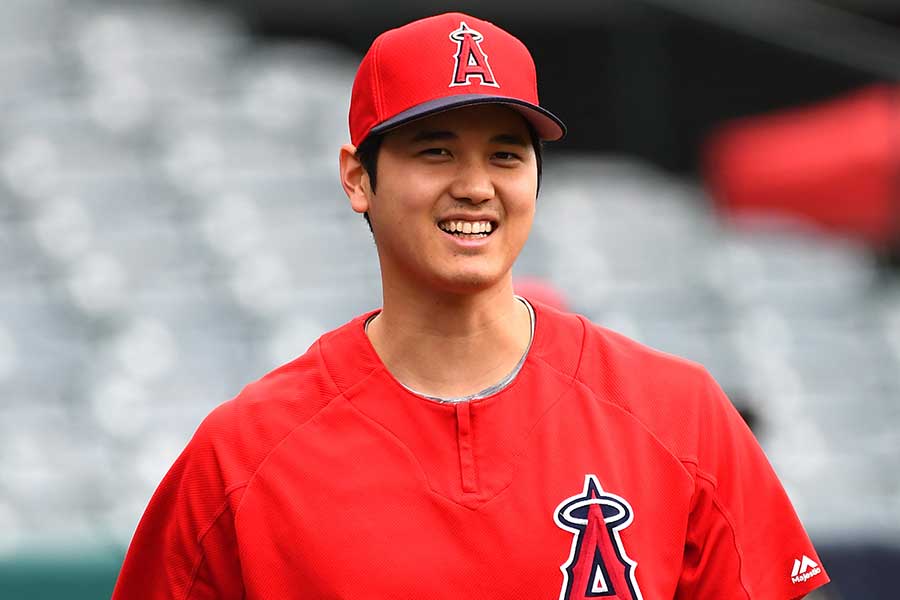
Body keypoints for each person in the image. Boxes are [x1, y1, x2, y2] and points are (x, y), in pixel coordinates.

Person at [112, 12, 830, 599]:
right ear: (358, 177)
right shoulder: (242, 454)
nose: (477, 186)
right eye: (436, 151)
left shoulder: (682, 415)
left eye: (507, 154)